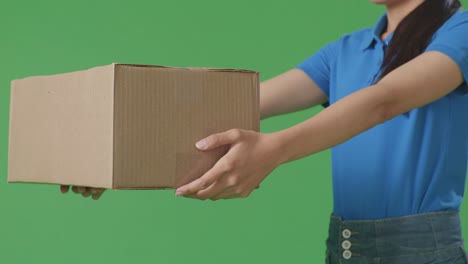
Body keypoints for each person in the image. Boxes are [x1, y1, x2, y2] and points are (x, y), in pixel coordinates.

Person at [63, 0, 468, 262]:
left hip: (423, 250)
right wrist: (111, 156)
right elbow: (232, 110)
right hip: (345, 248)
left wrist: (273, 149)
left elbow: (385, 101)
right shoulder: (346, 50)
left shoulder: (459, 30)